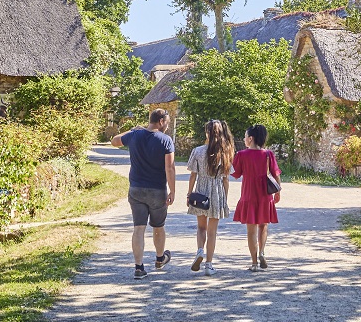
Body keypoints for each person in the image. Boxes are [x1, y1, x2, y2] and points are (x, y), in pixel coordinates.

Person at [116, 108, 177, 278]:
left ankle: (139, 267)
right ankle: (159, 259)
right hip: (157, 190)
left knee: (138, 228)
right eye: (168, 122)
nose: (168, 126)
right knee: (158, 226)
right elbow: (170, 167)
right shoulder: (166, 140)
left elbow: (114, 141)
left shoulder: (135, 135)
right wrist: (172, 190)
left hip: (136, 189)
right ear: (161, 121)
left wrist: (132, 129)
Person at [230, 123, 281, 270]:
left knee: (251, 230)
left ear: (250, 138)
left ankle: (254, 263)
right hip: (265, 195)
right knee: (263, 225)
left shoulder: (241, 155)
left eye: (245, 137)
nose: (244, 139)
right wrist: (278, 191)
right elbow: (276, 174)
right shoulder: (268, 154)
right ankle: (262, 252)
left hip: (249, 195)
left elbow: (235, 173)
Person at [185, 119, 233, 272]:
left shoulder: (197, 151)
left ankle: (200, 250)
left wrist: (189, 193)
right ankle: (209, 265)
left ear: (207, 132)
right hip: (217, 191)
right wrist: (224, 198)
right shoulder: (225, 152)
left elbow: (193, 175)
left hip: (200, 191)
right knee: (212, 231)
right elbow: (226, 179)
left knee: (201, 227)